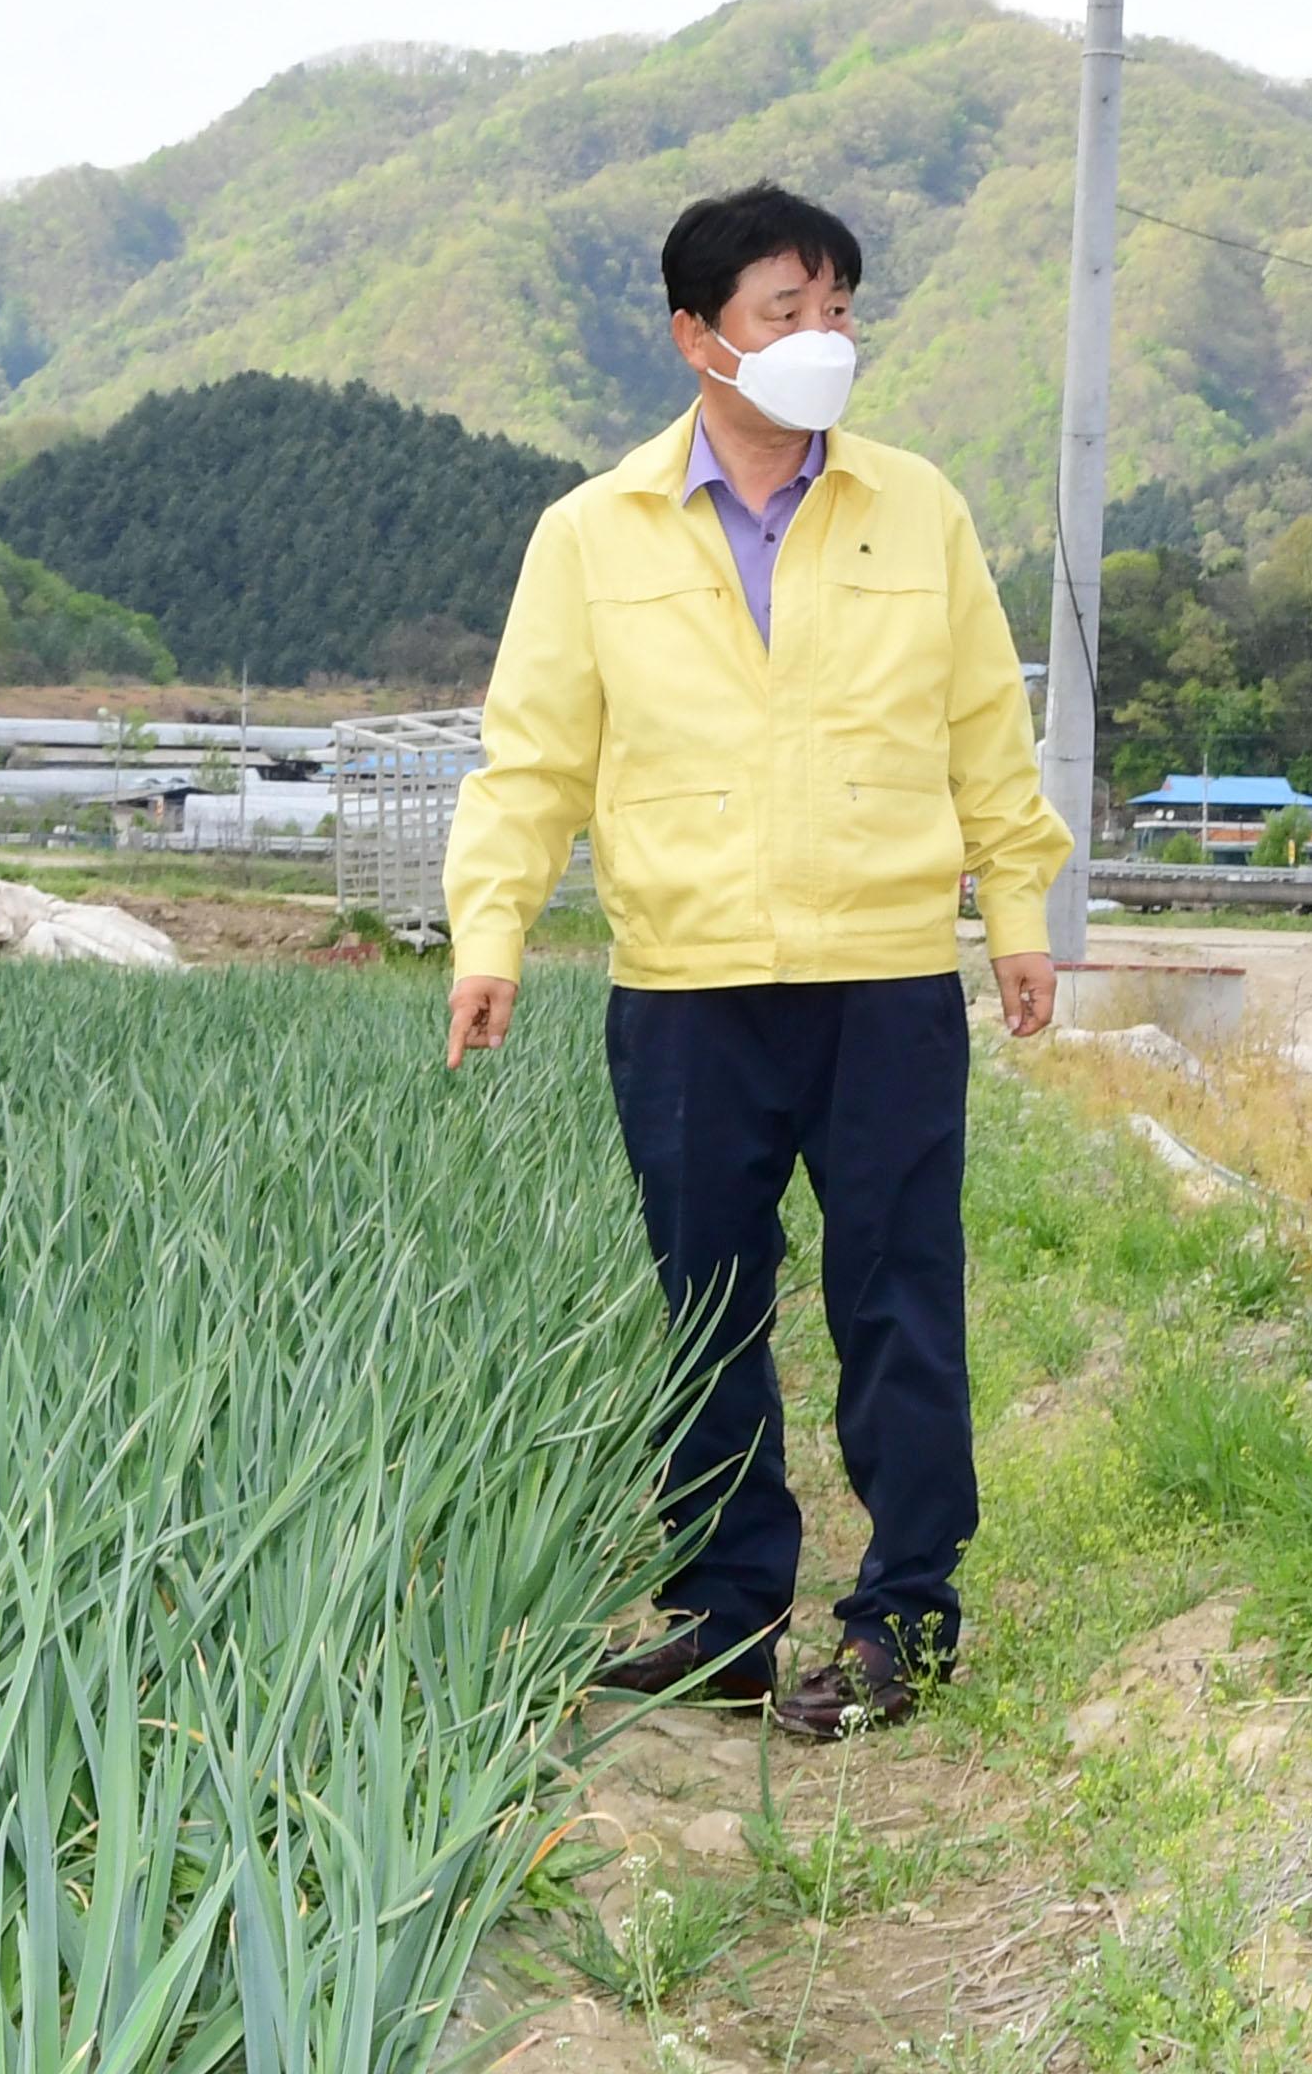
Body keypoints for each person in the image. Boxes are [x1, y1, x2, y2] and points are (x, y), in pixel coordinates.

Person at [440, 181, 1073, 1739]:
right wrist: (492, 932)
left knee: (896, 1299)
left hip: (882, 981)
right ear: (697, 336)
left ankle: (904, 1619)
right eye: (786, 310)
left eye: (841, 306)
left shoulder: (915, 506)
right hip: (687, 985)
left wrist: (1018, 915)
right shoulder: (591, 535)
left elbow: (988, 728)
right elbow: (532, 760)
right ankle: (725, 1619)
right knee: (708, 1305)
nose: (823, 337)